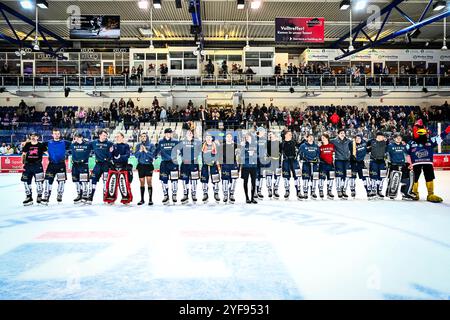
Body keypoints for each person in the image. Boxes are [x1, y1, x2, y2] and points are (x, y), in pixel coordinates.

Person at [407, 120, 450, 202]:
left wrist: (447, 130)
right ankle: (414, 193)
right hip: (415, 164)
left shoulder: (430, 140)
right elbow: (406, 154)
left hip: (428, 163)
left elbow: (440, 136)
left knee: (429, 177)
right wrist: (408, 163)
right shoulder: (411, 143)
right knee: (414, 178)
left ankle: (430, 194)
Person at [41, 129, 71, 204]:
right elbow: (38, 146)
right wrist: (47, 153)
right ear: (52, 135)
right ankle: (46, 196)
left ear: (60, 134)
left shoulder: (64, 142)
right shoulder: (48, 142)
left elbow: (74, 145)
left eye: (58, 134)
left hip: (61, 164)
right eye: (55, 134)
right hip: (51, 165)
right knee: (48, 181)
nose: (56, 135)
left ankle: (59, 195)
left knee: (61, 181)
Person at [104, 132, 133, 204]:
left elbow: (128, 155)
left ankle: (126, 199)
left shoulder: (126, 146)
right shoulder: (113, 146)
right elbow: (110, 157)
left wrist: (120, 157)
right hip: (114, 166)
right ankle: (110, 198)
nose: (117, 138)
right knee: (112, 183)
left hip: (124, 167)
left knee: (123, 183)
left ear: (122, 137)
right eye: (116, 136)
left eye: (118, 136)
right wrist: (110, 152)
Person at [87, 130, 114, 204]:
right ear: (100, 135)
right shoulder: (94, 142)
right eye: (104, 135)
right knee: (93, 180)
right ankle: (91, 196)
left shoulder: (110, 143)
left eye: (106, 135)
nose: (105, 137)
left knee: (106, 181)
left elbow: (113, 152)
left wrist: (111, 154)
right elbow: (86, 146)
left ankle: (106, 197)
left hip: (106, 165)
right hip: (98, 165)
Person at [386, 134, 415, 200]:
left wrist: (410, 164)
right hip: (394, 165)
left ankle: (404, 193)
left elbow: (407, 155)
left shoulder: (404, 146)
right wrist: (387, 162)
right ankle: (391, 193)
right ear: (394, 139)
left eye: (400, 138)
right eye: (397, 138)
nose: (399, 139)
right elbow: (386, 154)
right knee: (392, 180)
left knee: (407, 180)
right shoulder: (390, 146)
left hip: (403, 165)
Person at [21, 133, 47, 206]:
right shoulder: (27, 144)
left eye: (34, 136)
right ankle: (29, 197)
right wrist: (23, 163)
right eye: (31, 136)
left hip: (37, 165)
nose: (33, 137)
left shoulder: (41, 145)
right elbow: (23, 154)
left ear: (37, 137)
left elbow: (47, 152)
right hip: (28, 165)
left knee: (39, 182)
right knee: (26, 181)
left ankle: (39, 197)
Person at [177, 129, 202, 204]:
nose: (190, 134)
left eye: (191, 133)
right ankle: (185, 195)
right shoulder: (181, 142)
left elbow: (200, 151)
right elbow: (178, 152)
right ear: (186, 134)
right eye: (188, 133)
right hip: (184, 164)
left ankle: (193, 194)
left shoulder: (197, 142)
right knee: (185, 180)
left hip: (194, 164)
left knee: (194, 180)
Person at [155, 128, 179, 204]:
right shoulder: (161, 142)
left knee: (174, 180)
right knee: (163, 180)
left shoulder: (175, 141)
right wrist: (153, 156)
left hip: (173, 163)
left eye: (170, 133)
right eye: (168, 133)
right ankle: (166, 195)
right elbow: (157, 151)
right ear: (165, 134)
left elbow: (182, 150)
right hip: (164, 163)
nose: (170, 134)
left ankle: (174, 195)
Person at [70, 132, 93, 204]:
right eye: (75, 137)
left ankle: (85, 195)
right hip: (75, 165)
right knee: (76, 181)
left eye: (78, 137)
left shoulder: (88, 144)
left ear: (81, 137)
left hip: (84, 165)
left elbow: (97, 146)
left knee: (84, 181)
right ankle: (79, 194)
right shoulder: (72, 144)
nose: (76, 138)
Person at [134, 133, 156, 205]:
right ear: (140, 138)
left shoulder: (151, 145)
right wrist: (140, 150)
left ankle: (150, 199)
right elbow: (136, 156)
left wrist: (146, 151)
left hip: (149, 165)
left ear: (147, 137)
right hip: (141, 166)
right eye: (142, 136)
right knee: (142, 183)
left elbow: (153, 155)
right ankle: (142, 199)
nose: (143, 137)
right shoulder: (138, 145)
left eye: (144, 136)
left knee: (149, 182)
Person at [331, 129, 352, 199]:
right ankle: (339, 190)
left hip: (346, 160)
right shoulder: (334, 140)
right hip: (338, 160)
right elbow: (326, 141)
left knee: (347, 176)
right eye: (341, 133)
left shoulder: (348, 141)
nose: (343, 134)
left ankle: (344, 190)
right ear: (338, 134)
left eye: (344, 133)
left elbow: (355, 145)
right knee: (339, 176)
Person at [280, 130, 302, 199]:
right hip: (286, 161)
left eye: (291, 134)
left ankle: (298, 191)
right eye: (289, 134)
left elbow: (300, 146)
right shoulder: (282, 143)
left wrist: (304, 139)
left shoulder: (294, 142)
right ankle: (287, 191)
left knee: (297, 176)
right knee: (286, 177)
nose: (291, 135)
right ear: (285, 135)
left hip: (294, 160)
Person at [219, 132, 239, 203]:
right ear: (226, 138)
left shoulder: (236, 145)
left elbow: (239, 155)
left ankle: (231, 194)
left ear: (232, 138)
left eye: (230, 136)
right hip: (225, 165)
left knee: (234, 180)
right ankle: (225, 195)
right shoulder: (222, 146)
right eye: (228, 136)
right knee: (225, 180)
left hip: (233, 165)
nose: (229, 138)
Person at [299, 134, 320, 199]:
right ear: (307, 138)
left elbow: (318, 154)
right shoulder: (303, 146)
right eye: (309, 137)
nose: (311, 138)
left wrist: (316, 158)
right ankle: (305, 192)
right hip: (306, 163)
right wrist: (304, 159)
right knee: (305, 177)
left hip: (314, 164)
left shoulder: (316, 146)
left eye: (312, 137)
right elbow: (300, 154)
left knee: (314, 178)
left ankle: (313, 191)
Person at [367, 132, 388, 200]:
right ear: (376, 137)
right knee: (373, 176)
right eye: (378, 136)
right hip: (374, 161)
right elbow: (364, 146)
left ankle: (379, 190)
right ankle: (373, 190)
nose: (380, 137)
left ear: (383, 137)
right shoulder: (371, 141)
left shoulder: (385, 143)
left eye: (381, 136)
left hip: (382, 161)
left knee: (381, 177)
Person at [201, 134, 220, 203]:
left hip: (213, 164)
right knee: (204, 179)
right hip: (205, 164)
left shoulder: (216, 145)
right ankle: (205, 193)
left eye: (209, 137)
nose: (208, 138)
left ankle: (216, 193)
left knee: (215, 179)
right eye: (207, 137)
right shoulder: (202, 146)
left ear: (212, 138)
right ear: (205, 139)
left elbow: (218, 155)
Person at [349, 134, 370, 199]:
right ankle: (352, 190)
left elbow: (370, 146)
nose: (357, 139)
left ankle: (368, 190)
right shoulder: (352, 144)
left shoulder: (364, 143)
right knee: (352, 177)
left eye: (359, 138)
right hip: (353, 163)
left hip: (362, 163)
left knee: (365, 177)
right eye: (356, 138)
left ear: (361, 138)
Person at [240, 132, 258, 204]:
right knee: (245, 182)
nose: (247, 138)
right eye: (246, 137)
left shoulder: (255, 145)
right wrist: (248, 154)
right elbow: (241, 156)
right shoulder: (243, 145)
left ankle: (252, 197)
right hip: (246, 166)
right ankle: (247, 197)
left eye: (248, 136)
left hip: (253, 166)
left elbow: (258, 155)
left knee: (253, 182)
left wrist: (253, 155)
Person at [318, 133, 335, 199]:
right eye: (322, 138)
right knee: (321, 178)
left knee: (331, 178)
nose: (323, 139)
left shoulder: (332, 146)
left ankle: (329, 191)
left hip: (330, 164)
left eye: (324, 137)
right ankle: (321, 191)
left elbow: (333, 154)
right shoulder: (320, 147)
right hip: (322, 164)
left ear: (327, 138)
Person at [265, 131, 281, 199]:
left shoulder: (279, 143)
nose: (270, 136)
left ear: (274, 135)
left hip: (277, 161)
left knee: (277, 176)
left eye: (271, 134)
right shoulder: (267, 143)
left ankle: (275, 189)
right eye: (269, 135)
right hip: (269, 161)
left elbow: (281, 152)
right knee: (269, 175)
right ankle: (269, 190)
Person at [255, 127, 269, 199]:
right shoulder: (254, 139)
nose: (263, 132)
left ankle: (259, 190)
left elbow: (266, 149)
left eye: (263, 131)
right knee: (255, 176)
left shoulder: (265, 140)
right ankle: (254, 190)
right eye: (262, 131)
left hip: (262, 160)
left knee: (261, 176)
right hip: (255, 159)